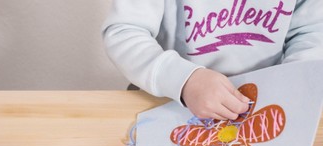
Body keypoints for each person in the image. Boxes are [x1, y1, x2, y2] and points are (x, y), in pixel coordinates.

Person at [102, 0, 323, 120]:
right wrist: (184, 79)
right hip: (168, 100)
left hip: (268, 105)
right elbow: (125, 32)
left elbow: (312, 31)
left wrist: (292, 83)